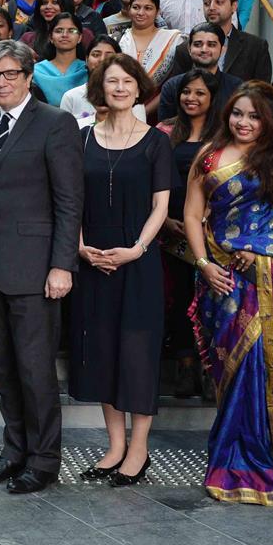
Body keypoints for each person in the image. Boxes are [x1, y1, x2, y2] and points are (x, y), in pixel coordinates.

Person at [184, 82, 273, 506]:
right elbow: (191, 213)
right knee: (231, 372)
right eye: (238, 114)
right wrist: (205, 265)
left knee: (257, 369)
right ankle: (225, 464)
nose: (244, 122)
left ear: (268, 120)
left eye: (254, 116)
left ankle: (257, 464)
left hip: (266, 281)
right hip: (220, 280)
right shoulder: (208, 157)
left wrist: (256, 250)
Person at [0, 40, 83, 494]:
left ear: (28, 76)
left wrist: (62, 265)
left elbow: (69, 203)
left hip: (37, 270)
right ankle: (13, 451)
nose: (1, 82)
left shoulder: (56, 124)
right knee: (4, 369)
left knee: (36, 370)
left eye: (10, 74)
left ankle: (44, 460)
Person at [71, 55, 172, 486]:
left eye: (127, 81)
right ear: (99, 88)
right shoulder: (81, 139)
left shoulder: (156, 142)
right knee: (103, 353)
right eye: (111, 81)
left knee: (137, 355)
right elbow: (69, 200)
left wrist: (136, 249)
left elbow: (161, 206)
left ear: (139, 87)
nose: (119, 88)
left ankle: (139, 449)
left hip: (138, 262)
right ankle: (114, 447)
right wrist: (79, 247)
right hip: (92, 262)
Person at [154, 68, 220, 399]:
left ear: (212, 99)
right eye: (186, 92)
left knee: (208, 300)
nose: (191, 98)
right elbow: (152, 181)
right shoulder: (164, 131)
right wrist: (165, 220)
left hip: (212, 233)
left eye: (199, 93)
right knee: (178, 300)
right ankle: (184, 366)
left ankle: (211, 369)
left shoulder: (224, 135)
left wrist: (205, 218)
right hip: (167, 231)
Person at [166, 0, 272, 85]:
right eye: (207, 3)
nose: (211, 7)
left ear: (234, 6)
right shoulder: (185, 49)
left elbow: (262, 92)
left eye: (219, 2)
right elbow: (178, 88)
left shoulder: (255, 46)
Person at [156, 23, 242, 122]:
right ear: (189, 49)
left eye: (211, 45)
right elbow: (164, 129)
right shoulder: (172, 86)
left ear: (222, 50)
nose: (204, 49)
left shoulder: (235, 87)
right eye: (198, 44)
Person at [117, 0, 181, 115]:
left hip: (158, 112)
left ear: (158, 12)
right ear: (129, 9)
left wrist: (143, 112)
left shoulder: (174, 40)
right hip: (120, 108)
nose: (141, 13)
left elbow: (174, 83)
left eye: (148, 8)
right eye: (136, 7)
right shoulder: (119, 40)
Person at [60, 36, 147, 127]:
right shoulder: (71, 97)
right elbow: (64, 135)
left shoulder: (130, 97)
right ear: (86, 59)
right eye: (96, 55)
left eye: (109, 56)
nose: (102, 60)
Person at [31, 12, 88, 107]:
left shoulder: (87, 69)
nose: (65, 35)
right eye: (59, 31)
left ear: (80, 38)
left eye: (72, 31)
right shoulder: (36, 71)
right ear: (51, 38)